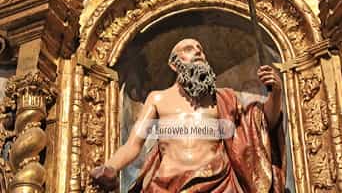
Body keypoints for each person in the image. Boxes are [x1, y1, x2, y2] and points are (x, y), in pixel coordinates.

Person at [91, 38, 285, 192]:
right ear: (174, 64)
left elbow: (263, 126)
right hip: (165, 185)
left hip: (219, 184)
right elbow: (133, 145)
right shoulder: (158, 99)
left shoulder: (224, 98)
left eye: (200, 49)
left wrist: (275, 92)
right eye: (188, 49)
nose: (198, 51)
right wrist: (111, 167)